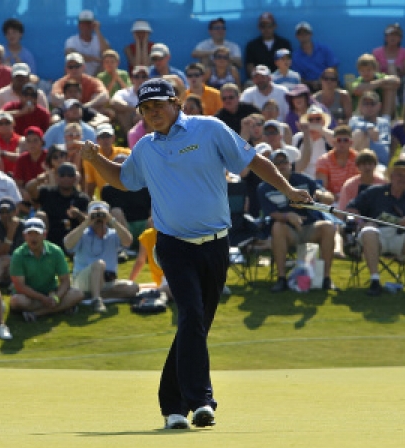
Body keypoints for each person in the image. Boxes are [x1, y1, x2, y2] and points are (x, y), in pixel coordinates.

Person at [81, 77, 312, 429]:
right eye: (146, 109)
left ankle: (172, 407)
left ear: (176, 102)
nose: (153, 113)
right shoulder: (145, 148)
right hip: (173, 245)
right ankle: (201, 401)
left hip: (216, 243)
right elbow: (122, 180)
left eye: (159, 105)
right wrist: (96, 160)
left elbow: (252, 161)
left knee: (197, 325)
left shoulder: (209, 129)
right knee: (189, 314)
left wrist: (289, 188)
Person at [346, 160, 405, 298]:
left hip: (400, 237)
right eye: (399, 175)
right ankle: (375, 281)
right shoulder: (374, 192)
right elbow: (351, 209)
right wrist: (362, 223)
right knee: (369, 232)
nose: (403, 178)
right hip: (377, 236)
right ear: (391, 176)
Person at [259, 148, 336, 292]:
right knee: (277, 227)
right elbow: (271, 213)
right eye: (277, 163)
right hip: (288, 231)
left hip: (309, 227)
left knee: (329, 227)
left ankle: (326, 279)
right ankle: (281, 279)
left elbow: (329, 197)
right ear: (272, 166)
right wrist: (288, 216)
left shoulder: (304, 180)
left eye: (285, 162)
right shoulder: (264, 187)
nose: (282, 165)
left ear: (290, 164)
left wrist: (321, 194)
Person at [64, 200, 139, 313]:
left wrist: (111, 220)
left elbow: (128, 241)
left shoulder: (113, 234)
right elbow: (67, 244)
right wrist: (86, 222)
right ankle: (96, 300)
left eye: (102, 215)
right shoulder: (82, 233)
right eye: (95, 214)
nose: (98, 219)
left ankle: (89, 295)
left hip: (107, 281)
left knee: (133, 288)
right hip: (83, 280)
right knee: (99, 264)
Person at [9, 217, 85, 321]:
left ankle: (38, 313)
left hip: (51, 293)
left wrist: (56, 298)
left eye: (37, 234)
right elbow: (20, 286)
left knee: (78, 294)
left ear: (44, 235)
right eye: (30, 234)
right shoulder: (18, 254)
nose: (33, 238)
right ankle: (62, 307)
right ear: (24, 236)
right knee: (17, 301)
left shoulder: (56, 251)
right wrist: (43, 299)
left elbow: (65, 281)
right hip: (29, 296)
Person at [28, 161, 90, 250]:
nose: (66, 178)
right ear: (57, 177)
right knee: (40, 215)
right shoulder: (48, 193)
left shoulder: (81, 198)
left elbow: (89, 222)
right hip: (50, 236)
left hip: (72, 239)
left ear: (75, 178)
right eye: (62, 175)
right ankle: (41, 250)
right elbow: (29, 189)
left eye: (70, 175)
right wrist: (39, 180)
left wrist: (78, 214)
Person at [82, 123, 129, 199]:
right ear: (97, 139)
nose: (105, 140)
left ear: (113, 138)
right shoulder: (90, 157)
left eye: (108, 136)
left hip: (127, 195)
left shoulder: (126, 153)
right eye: (102, 137)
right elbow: (91, 184)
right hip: (105, 198)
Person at [0, 197, 24, 286]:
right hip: (3, 264)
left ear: (15, 212)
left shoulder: (24, 227)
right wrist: (11, 232)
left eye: (8, 211)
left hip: (21, 263)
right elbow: (0, 253)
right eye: (2, 212)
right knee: (5, 259)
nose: (5, 215)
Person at [315, 125, 358, 201]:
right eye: (339, 140)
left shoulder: (358, 159)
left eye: (345, 140)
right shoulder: (323, 161)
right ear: (333, 142)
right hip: (331, 201)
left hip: (354, 199)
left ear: (351, 142)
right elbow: (321, 188)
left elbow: (363, 183)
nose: (342, 143)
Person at [292, 21, 338, 91]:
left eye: (306, 33)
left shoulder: (324, 49)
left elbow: (333, 67)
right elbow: (299, 78)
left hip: (329, 82)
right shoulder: (295, 56)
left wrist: (325, 80)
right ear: (296, 36)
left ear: (311, 34)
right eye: (300, 34)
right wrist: (312, 83)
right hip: (310, 88)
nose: (303, 35)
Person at [350, 53, 400, 118]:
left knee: (390, 88)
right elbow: (357, 90)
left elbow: (397, 82)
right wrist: (380, 83)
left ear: (375, 69)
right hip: (362, 112)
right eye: (362, 70)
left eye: (368, 70)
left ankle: (386, 117)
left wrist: (381, 82)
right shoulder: (358, 81)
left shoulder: (380, 77)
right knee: (365, 91)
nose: (365, 73)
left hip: (381, 110)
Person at [348, 91, 391, 166]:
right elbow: (355, 125)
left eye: (372, 104)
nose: (369, 107)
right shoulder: (354, 120)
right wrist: (369, 127)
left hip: (380, 164)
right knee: (359, 133)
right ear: (360, 107)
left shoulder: (385, 122)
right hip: (361, 163)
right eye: (365, 104)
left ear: (379, 106)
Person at [65, 10, 109, 77]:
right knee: (72, 63)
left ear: (93, 25)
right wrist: (95, 59)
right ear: (79, 25)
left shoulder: (101, 39)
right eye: (83, 23)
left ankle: (95, 84)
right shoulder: (71, 41)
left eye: (88, 23)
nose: (86, 26)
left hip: (97, 75)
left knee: (107, 63)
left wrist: (97, 31)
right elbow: (72, 55)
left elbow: (108, 53)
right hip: (78, 76)